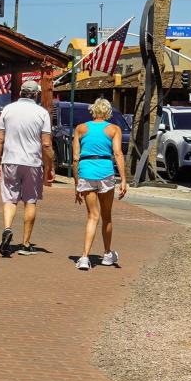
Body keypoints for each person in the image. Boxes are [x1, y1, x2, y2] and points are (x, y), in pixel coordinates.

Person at [0, 80, 54, 257]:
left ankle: (7, 228)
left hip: (10, 159)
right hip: (32, 162)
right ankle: (26, 244)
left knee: (10, 200)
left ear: (21, 92)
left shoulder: (8, 110)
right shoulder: (42, 113)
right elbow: (46, 144)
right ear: (36, 94)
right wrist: (50, 166)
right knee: (30, 200)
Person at [72, 98, 127, 270]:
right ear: (108, 112)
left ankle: (84, 257)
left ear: (93, 110)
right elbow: (118, 154)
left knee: (92, 216)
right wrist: (123, 179)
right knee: (106, 216)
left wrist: (76, 184)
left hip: (86, 171)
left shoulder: (81, 128)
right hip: (105, 171)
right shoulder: (113, 129)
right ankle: (107, 253)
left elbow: (75, 158)